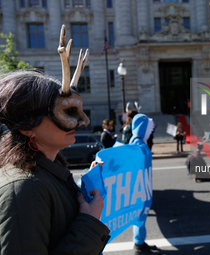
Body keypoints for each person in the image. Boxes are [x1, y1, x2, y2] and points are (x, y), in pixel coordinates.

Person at [0, 25, 110, 254]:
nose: (84, 122)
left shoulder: (49, 171)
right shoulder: (23, 190)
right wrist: (89, 222)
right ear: (28, 125)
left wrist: (81, 188)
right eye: (68, 112)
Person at [129, 114, 159, 255]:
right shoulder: (138, 144)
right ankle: (138, 247)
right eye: (148, 127)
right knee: (139, 216)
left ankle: (140, 242)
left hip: (142, 185)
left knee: (141, 216)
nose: (151, 130)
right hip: (139, 188)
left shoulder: (139, 141)